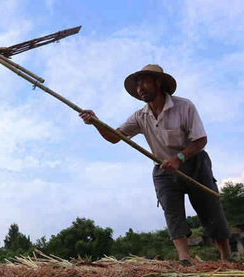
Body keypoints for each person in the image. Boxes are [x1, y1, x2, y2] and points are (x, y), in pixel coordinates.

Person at [79, 64, 231, 266]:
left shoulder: (184, 107)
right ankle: (185, 260)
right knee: (172, 211)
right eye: (137, 84)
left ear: (158, 82)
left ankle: (226, 259)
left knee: (209, 208)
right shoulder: (140, 116)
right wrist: (96, 122)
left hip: (193, 162)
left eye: (144, 82)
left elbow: (200, 140)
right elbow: (114, 137)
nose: (139, 88)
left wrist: (179, 159)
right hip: (163, 168)